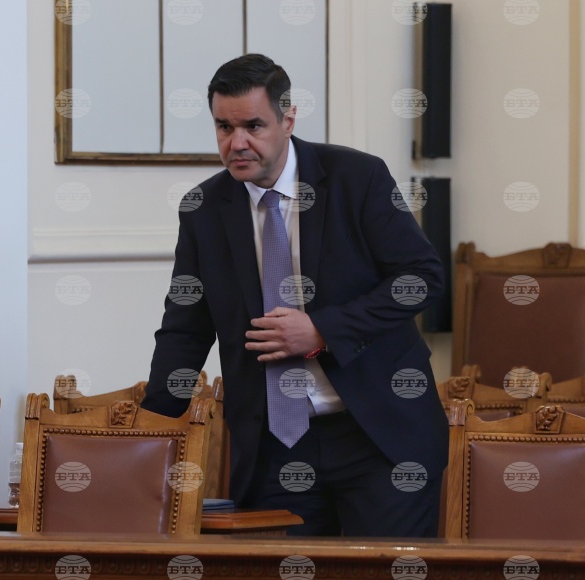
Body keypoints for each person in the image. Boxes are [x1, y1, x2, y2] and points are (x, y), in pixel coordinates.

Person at [141, 54, 449, 537]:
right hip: (275, 449)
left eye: (253, 126)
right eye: (224, 127)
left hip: (379, 438)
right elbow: (186, 328)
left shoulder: (357, 178)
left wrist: (322, 330)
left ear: (288, 120)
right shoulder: (204, 208)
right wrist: (149, 431)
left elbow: (422, 277)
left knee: (382, 571)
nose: (236, 143)